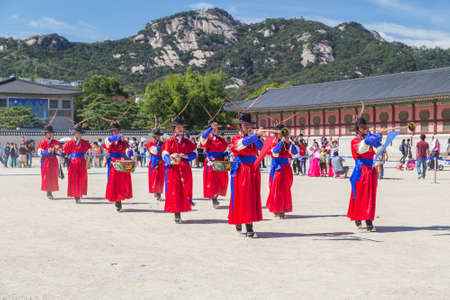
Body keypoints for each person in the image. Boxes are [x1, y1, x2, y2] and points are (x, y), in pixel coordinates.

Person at [347, 116, 388, 232]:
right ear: (358, 129)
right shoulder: (356, 141)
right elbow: (362, 148)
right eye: (362, 127)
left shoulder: (370, 140)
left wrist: (381, 143)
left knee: (370, 196)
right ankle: (358, 217)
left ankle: (369, 220)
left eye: (366, 127)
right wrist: (378, 135)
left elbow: (378, 149)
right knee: (359, 196)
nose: (365, 129)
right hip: (360, 171)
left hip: (370, 171)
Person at [228, 112, 264, 238]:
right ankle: (238, 219)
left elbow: (263, 148)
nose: (248, 128)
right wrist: (254, 136)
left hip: (253, 168)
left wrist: (258, 137)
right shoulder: (236, 139)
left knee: (251, 197)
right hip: (241, 169)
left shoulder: (252, 137)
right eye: (245, 125)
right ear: (240, 127)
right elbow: (239, 146)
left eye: (250, 125)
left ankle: (249, 225)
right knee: (241, 196)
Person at [162, 117, 197, 223]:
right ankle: (177, 213)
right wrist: (172, 160)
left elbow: (194, 153)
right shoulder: (169, 142)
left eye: (182, 127)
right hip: (174, 169)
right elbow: (164, 154)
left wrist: (186, 156)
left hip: (185, 168)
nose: (180, 129)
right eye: (178, 127)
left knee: (185, 189)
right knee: (175, 191)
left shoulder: (188, 142)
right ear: (174, 129)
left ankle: (182, 208)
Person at [266, 124, 298, 219]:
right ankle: (277, 209)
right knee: (276, 189)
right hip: (277, 168)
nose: (281, 135)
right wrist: (282, 142)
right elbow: (275, 151)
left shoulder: (288, 143)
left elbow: (295, 152)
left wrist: (290, 142)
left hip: (286, 169)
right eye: (280, 133)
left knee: (285, 189)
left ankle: (283, 208)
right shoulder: (274, 142)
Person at [103, 122, 133, 212]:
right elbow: (107, 141)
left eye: (116, 131)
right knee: (113, 183)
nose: (114, 132)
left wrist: (129, 153)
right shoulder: (109, 141)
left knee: (121, 183)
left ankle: (119, 200)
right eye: (113, 131)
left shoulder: (124, 141)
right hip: (113, 164)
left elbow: (128, 149)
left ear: (119, 131)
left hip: (121, 163)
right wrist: (118, 136)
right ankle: (117, 200)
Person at [200, 120, 229, 209]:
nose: (215, 130)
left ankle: (216, 197)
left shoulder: (221, 140)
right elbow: (203, 136)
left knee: (221, 181)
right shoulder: (207, 139)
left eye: (216, 128)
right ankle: (213, 199)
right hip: (211, 162)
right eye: (213, 128)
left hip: (221, 162)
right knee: (212, 181)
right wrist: (210, 128)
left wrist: (226, 155)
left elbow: (226, 150)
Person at [63, 125, 91, 203]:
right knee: (73, 179)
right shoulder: (69, 143)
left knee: (81, 179)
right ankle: (75, 195)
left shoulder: (85, 143)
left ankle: (78, 195)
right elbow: (64, 152)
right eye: (77, 133)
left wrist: (90, 153)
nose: (79, 135)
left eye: (80, 133)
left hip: (82, 162)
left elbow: (89, 150)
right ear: (74, 134)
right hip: (73, 163)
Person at [38, 125, 64, 200]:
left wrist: (57, 151)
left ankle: (51, 191)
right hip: (45, 161)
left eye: (51, 133)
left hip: (53, 162)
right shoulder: (42, 142)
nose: (50, 134)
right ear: (45, 134)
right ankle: (48, 192)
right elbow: (39, 152)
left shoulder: (56, 142)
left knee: (53, 177)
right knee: (46, 177)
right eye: (48, 133)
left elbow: (62, 152)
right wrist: (48, 151)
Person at [146, 128, 165, 201]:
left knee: (160, 178)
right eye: (156, 136)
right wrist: (160, 148)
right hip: (153, 161)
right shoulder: (150, 143)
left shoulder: (163, 143)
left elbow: (165, 150)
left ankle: (158, 192)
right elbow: (153, 150)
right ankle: (155, 191)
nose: (158, 137)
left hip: (161, 161)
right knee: (154, 177)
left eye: (159, 136)